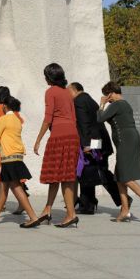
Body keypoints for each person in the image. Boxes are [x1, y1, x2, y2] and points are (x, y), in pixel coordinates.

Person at [98, 82, 140, 224]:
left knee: (126, 177)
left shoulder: (117, 104)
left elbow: (100, 118)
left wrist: (101, 104)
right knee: (119, 176)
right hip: (128, 140)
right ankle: (125, 210)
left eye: (106, 96)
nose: (106, 99)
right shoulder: (123, 105)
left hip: (126, 141)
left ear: (111, 93)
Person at [34, 63, 80, 228]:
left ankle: (70, 214)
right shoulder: (67, 93)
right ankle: (47, 209)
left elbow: (48, 118)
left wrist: (38, 139)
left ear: (50, 77)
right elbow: (74, 117)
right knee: (60, 174)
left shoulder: (51, 92)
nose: (45, 78)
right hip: (72, 135)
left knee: (62, 176)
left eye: (45, 76)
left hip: (59, 135)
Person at [0, 97, 40, 228]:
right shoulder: (17, 120)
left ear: (6, 107)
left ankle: (33, 217)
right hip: (17, 156)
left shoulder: (3, 119)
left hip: (8, 156)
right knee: (4, 187)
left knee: (15, 186)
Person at [68, 82, 122, 214]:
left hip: (92, 142)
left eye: (68, 90)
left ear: (74, 90)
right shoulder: (89, 100)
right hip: (99, 142)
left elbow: (84, 123)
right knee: (89, 171)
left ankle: (123, 199)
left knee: (99, 172)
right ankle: (88, 204)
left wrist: (86, 144)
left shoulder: (79, 101)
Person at [0, 87, 27, 214]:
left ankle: (1, 206)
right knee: (16, 176)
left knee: (3, 176)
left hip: (2, 150)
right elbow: (20, 123)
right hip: (16, 148)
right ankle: (21, 204)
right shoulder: (13, 111)